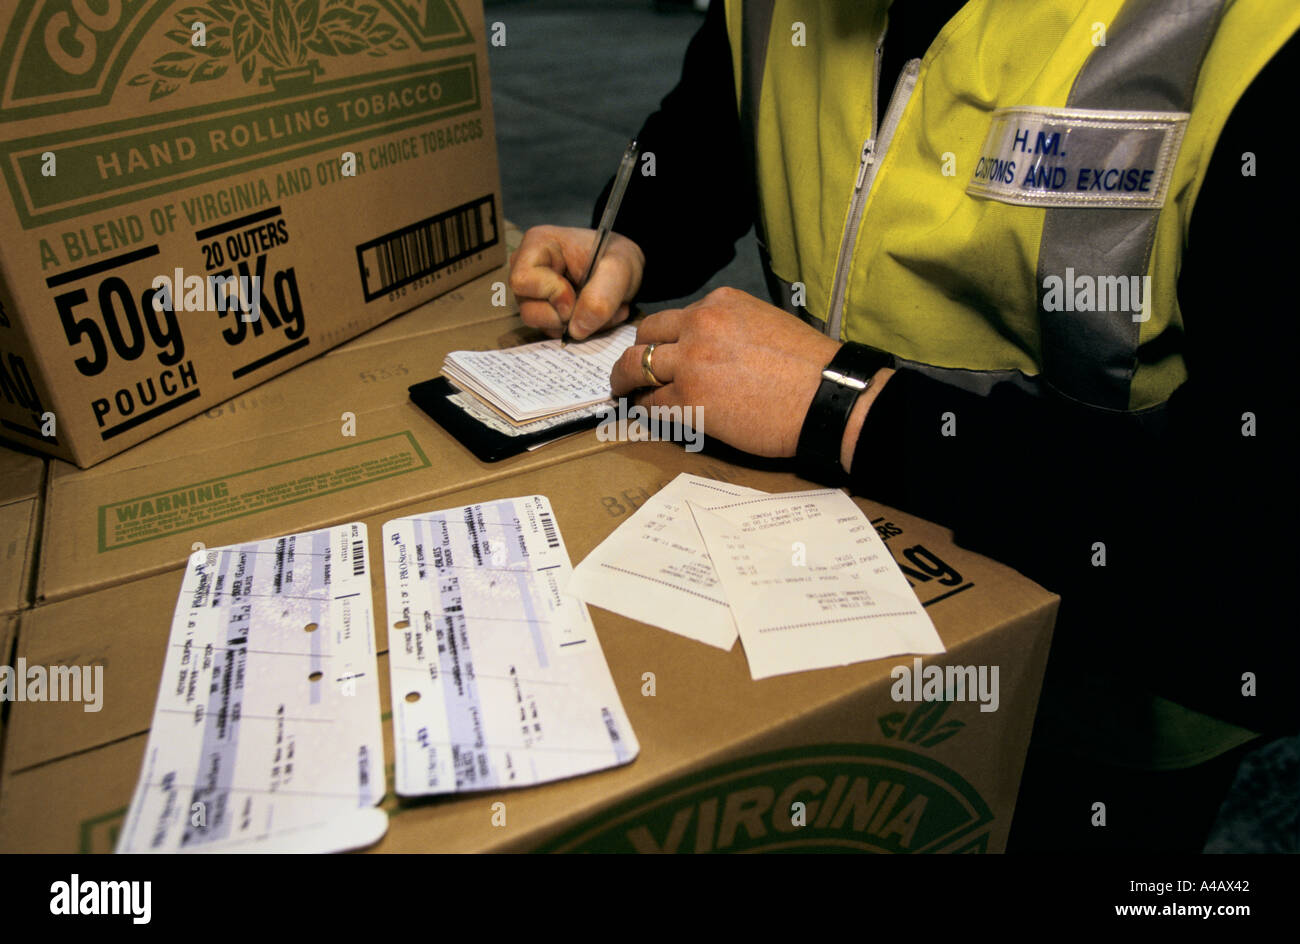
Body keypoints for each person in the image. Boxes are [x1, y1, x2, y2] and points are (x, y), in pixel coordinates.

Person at [509, 1, 1299, 851]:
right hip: (825, 624)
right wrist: (632, 239)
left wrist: (849, 406)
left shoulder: (1250, 38)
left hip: (1105, 693)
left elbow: (1261, 586)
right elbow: (708, 135)